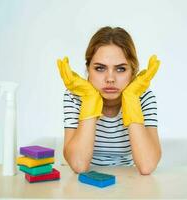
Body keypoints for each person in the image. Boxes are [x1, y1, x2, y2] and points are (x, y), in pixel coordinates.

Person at [57, 26, 161, 175]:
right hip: (84, 183)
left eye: (120, 69)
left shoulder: (143, 97)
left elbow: (147, 166)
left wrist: (131, 98)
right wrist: (90, 99)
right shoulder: (75, 97)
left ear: (133, 71)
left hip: (129, 182)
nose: (110, 79)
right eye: (100, 68)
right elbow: (79, 165)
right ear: (88, 69)